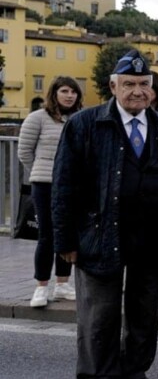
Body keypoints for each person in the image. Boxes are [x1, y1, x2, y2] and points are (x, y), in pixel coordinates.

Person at [52, 53, 158, 379]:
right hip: (100, 234)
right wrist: (64, 240)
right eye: (129, 84)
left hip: (152, 237)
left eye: (144, 84)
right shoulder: (84, 124)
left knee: (145, 311)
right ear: (113, 87)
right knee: (100, 313)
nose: (138, 91)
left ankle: (133, 372)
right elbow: (64, 186)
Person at [18, 76, 83, 308]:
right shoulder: (38, 118)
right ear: (54, 93)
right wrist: (41, 170)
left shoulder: (79, 118)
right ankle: (41, 286)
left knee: (68, 233)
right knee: (46, 235)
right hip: (44, 184)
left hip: (72, 186)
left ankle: (63, 284)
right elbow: (24, 151)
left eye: (74, 92)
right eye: (64, 91)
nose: (69, 95)